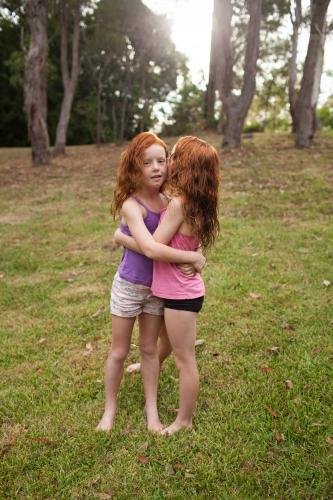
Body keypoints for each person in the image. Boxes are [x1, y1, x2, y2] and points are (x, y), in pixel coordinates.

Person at [96, 132, 205, 433]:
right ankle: (109, 410)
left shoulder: (170, 202)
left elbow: (186, 237)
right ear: (134, 168)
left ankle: (152, 412)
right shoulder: (133, 206)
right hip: (129, 286)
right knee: (119, 351)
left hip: (158, 289)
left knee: (148, 349)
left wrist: (195, 253)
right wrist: (187, 259)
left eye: (161, 160)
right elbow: (148, 247)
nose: (157, 168)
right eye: (148, 163)